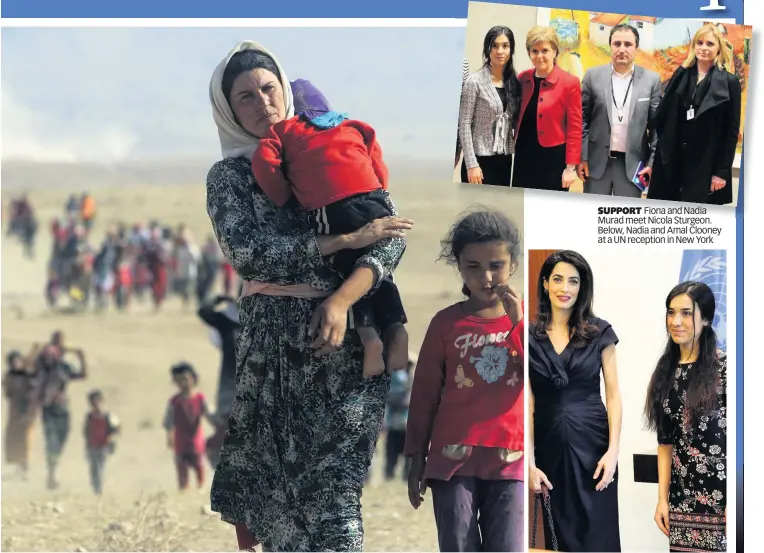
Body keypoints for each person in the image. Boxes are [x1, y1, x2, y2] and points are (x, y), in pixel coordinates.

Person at [206, 41, 412, 551]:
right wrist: (340, 241)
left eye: (269, 89)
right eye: (246, 97)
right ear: (228, 109)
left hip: (346, 350)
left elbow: (389, 235)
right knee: (280, 506)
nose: (263, 103)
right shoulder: (229, 178)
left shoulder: (330, 145)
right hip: (270, 359)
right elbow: (249, 254)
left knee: (336, 495)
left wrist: (342, 300)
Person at [251, 78, 409, 377]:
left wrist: (284, 195)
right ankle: (397, 328)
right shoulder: (353, 124)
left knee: (347, 267)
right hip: (373, 199)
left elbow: (264, 162)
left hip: (332, 207)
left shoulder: (283, 130)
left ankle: (369, 338)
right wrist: (377, 193)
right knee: (378, 268)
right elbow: (377, 159)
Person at [405, 209, 524, 552]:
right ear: (459, 266)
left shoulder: (528, 325)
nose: (486, 277)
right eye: (473, 266)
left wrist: (517, 325)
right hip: (452, 461)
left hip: (511, 459)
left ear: (512, 263)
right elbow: (424, 394)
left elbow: (541, 377)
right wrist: (416, 459)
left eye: (496, 265)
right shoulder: (445, 324)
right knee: (458, 546)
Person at [528, 250, 622, 552]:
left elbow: (613, 395)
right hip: (549, 447)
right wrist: (529, 462)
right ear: (545, 283)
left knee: (599, 536)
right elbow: (527, 405)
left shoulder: (600, 332)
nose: (564, 288)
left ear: (582, 288)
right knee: (561, 536)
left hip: (595, 448)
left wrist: (613, 453)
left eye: (573, 281)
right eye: (557, 279)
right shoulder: (528, 337)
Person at [644, 282, 727, 551]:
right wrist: (662, 499)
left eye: (686, 313)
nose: (676, 321)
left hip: (726, 501)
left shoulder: (726, 369)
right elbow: (665, 443)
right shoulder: (664, 372)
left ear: (706, 320)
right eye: (670, 312)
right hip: (682, 501)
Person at [647, 23, 741, 205]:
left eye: (710, 44)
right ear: (694, 46)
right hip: (672, 161)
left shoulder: (730, 82)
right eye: (700, 43)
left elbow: (731, 132)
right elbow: (663, 118)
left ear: (719, 48)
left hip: (705, 164)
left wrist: (721, 172)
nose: (704, 48)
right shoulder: (681, 74)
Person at [578, 24, 662, 198]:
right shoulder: (592, 76)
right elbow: (582, 120)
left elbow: (656, 127)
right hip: (596, 163)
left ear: (636, 49)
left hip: (633, 166)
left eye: (628, 44)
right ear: (610, 46)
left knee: (624, 219)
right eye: (617, 44)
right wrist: (582, 157)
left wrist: (652, 163)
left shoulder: (651, 80)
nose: (622, 49)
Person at [513, 26, 582, 191]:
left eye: (545, 50)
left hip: (553, 160)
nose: (539, 56)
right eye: (534, 51)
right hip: (524, 156)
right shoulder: (523, 78)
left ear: (555, 52)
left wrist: (570, 168)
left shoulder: (569, 82)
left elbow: (575, 128)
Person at [458, 26, 521, 187]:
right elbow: (464, 124)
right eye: (495, 45)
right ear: (488, 48)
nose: (500, 51)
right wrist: (471, 164)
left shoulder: (513, 83)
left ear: (511, 49)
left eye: (505, 46)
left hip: (504, 159)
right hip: (479, 160)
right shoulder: (474, 82)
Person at [37, 344, 88, 489]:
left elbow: (83, 375)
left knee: (60, 442)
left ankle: (53, 471)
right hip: (48, 410)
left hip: (62, 410)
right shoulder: (41, 370)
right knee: (52, 443)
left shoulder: (63, 368)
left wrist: (81, 358)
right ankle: (51, 475)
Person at [198, 295, 240, 468]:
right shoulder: (227, 323)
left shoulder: (263, 319)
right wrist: (220, 298)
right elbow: (204, 311)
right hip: (229, 385)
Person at [163, 362, 217, 491]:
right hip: (180, 443)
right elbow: (168, 422)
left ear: (193, 379)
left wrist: (220, 427)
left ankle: (201, 490)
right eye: (179, 380)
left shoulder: (200, 399)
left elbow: (211, 416)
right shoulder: (174, 402)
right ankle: (184, 492)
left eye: (186, 379)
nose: (183, 384)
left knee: (199, 468)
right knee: (182, 471)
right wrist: (169, 437)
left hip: (196, 443)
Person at [3, 345, 42, 479]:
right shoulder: (9, 377)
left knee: (26, 441)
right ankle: (19, 468)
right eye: (13, 362)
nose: (16, 364)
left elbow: (34, 389)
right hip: (14, 413)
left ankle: (25, 469)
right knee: (14, 441)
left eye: (17, 361)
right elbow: (8, 393)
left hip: (28, 414)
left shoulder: (29, 375)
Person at [83, 389, 120, 495]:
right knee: (94, 468)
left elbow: (116, 429)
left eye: (97, 402)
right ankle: (96, 488)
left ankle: (100, 488)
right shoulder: (90, 417)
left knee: (101, 467)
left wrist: (112, 439)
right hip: (93, 446)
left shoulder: (108, 416)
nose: (95, 405)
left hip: (104, 446)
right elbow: (86, 432)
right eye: (92, 403)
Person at [384, 355, 414, 481]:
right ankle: (390, 479)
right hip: (395, 425)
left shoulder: (412, 380)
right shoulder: (395, 379)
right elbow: (391, 398)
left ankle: (404, 480)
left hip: (408, 426)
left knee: (408, 460)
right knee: (391, 458)